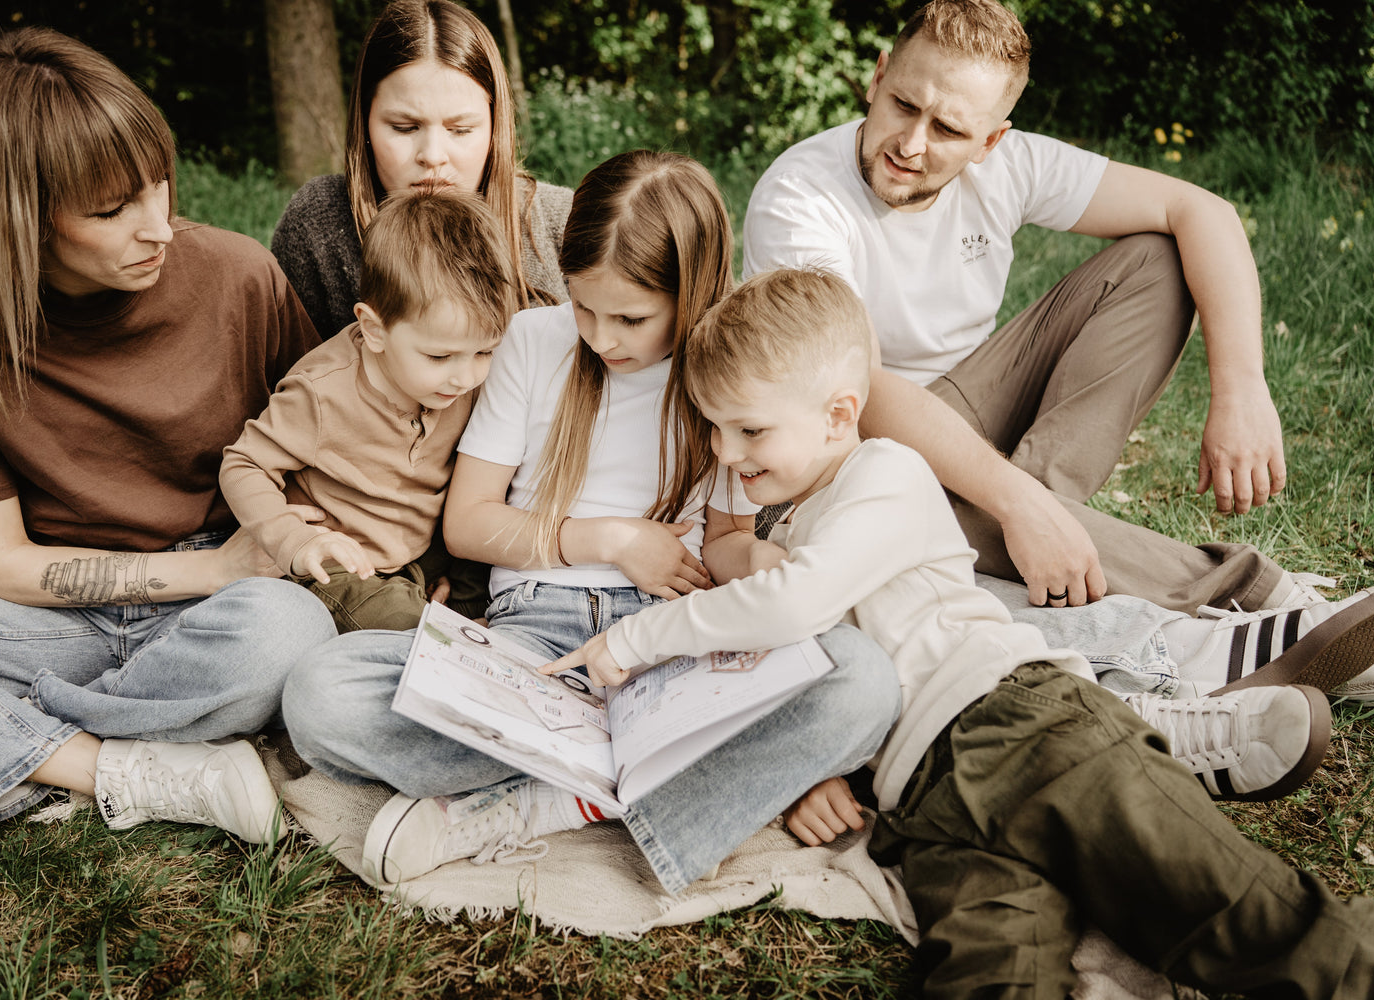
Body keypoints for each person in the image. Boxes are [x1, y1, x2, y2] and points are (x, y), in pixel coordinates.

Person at [546, 268, 1374, 996]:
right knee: (989, 975)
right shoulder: (794, 536)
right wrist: (813, 773)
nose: (726, 453)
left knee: (1231, 913)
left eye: (750, 429)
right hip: (925, 808)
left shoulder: (887, 476)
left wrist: (635, 640)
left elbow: (793, 608)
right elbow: (804, 677)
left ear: (841, 414)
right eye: (714, 428)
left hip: (1030, 728)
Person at [281, 151, 902, 894]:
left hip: (674, 637)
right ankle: (665, 779)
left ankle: (554, 794)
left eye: (632, 317)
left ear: (692, 290)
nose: (603, 337)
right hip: (536, 641)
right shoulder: (535, 342)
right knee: (321, 694)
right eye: (585, 307)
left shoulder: (727, 371)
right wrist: (610, 539)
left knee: (863, 680)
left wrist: (761, 568)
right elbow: (469, 526)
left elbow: (730, 540)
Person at [0, 27, 337, 866]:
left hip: (219, 624)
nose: (158, 225)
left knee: (287, 631)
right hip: (50, 618)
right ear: (16, 215)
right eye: (111, 209)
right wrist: (215, 569)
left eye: (158, 184)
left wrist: (239, 567)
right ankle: (110, 767)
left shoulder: (239, 275)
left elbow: (320, 466)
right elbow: (2, 566)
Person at [742, 0, 1318, 617]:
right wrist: (1017, 502)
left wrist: (1241, 391)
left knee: (1158, 259)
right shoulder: (800, 199)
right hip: (846, 460)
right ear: (877, 78)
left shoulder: (1011, 166)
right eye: (904, 106)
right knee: (981, 490)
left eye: (949, 131)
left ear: (990, 140)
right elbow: (863, 395)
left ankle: (1019, 523)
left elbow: (1204, 212)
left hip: (969, 420)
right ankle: (1259, 599)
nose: (911, 144)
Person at [221, 190, 514, 631]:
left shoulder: (463, 381)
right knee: (400, 619)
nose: (465, 377)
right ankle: (439, 634)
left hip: (420, 544)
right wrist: (294, 541)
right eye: (440, 357)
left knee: (488, 555)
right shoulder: (323, 393)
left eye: (484, 352)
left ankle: (470, 619)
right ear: (374, 329)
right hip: (341, 561)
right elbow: (243, 464)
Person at [270, 0, 571, 338]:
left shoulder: (565, 223)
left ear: (494, 129)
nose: (432, 155)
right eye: (404, 127)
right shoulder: (318, 225)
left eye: (460, 130)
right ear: (364, 122)